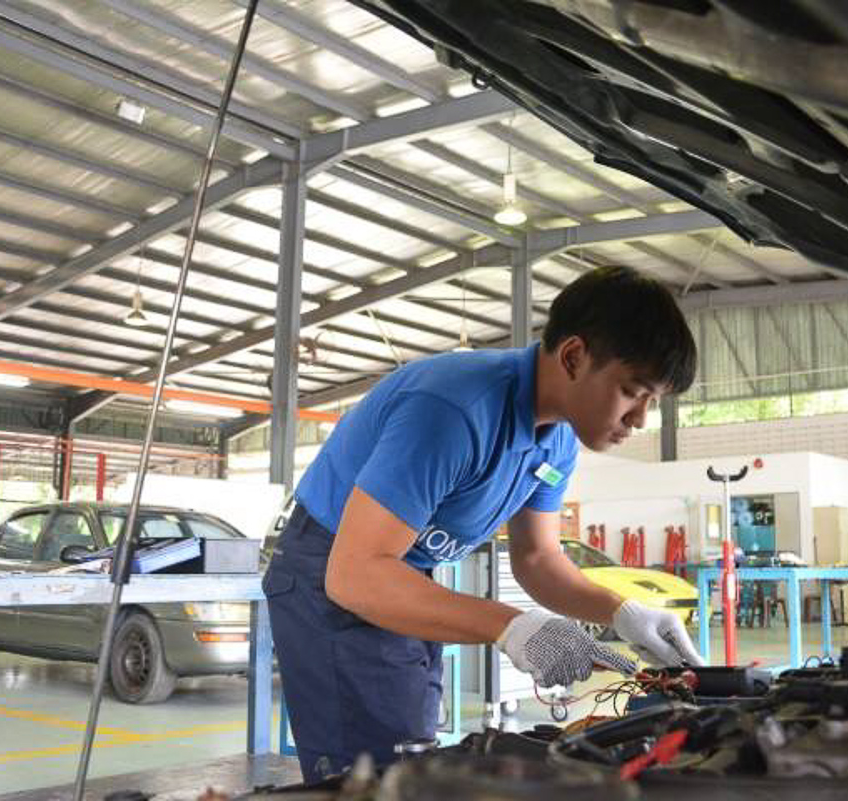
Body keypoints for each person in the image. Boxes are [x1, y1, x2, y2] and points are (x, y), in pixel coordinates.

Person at [263, 266, 705, 782]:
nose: (642, 418)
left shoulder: (558, 440)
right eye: (632, 391)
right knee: (373, 776)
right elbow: (354, 575)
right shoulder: (454, 410)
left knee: (410, 757)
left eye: (654, 401)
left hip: (401, 570)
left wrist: (623, 613)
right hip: (330, 572)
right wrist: (511, 626)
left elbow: (538, 558)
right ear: (573, 357)